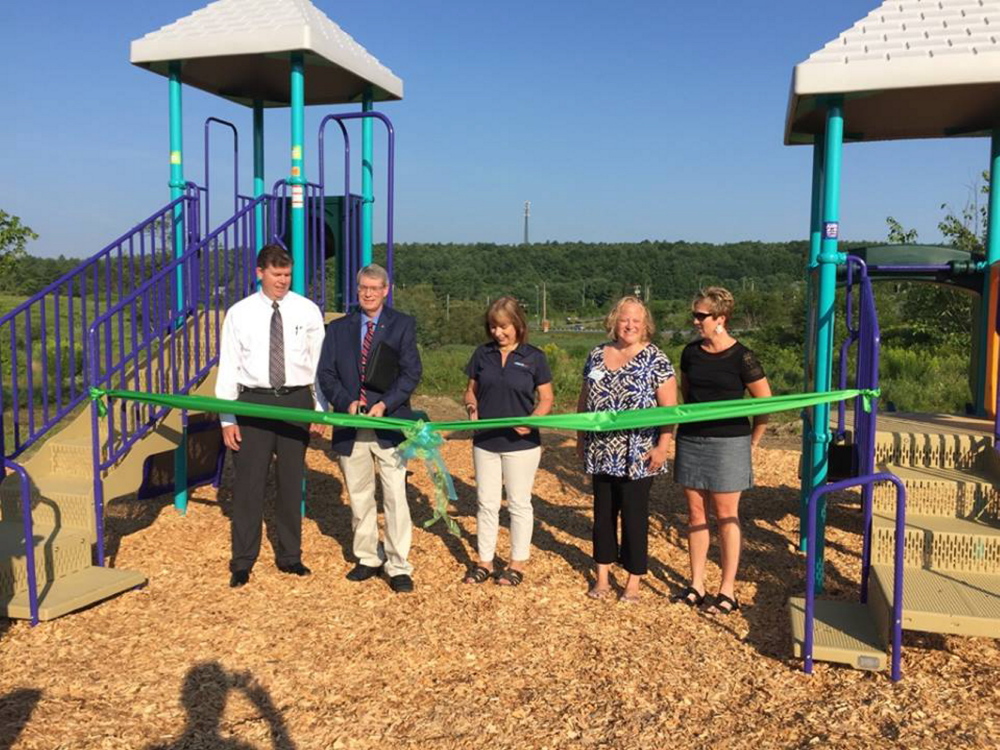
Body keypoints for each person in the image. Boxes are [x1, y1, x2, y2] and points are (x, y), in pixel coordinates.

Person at [216, 243, 326, 588]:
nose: (282, 281)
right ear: (259, 272)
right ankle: (243, 561)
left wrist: (320, 411)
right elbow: (229, 365)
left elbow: (319, 364)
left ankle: (290, 556)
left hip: (295, 401)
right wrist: (227, 417)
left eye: (287, 275)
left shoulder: (307, 311)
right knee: (248, 485)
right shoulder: (239, 313)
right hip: (253, 402)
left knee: (292, 483)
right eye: (276, 274)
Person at [317, 264, 422, 593]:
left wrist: (384, 404)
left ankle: (398, 564)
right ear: (357, 289)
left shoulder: (402, 325)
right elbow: (327, 374)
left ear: (386, 290)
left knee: (394, 495)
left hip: (388, 424)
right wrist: (347, 402)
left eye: (375, 288)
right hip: (352, 425)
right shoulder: (337, 329)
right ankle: (367, 557)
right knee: (359, 495)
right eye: (363, 287)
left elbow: (410, 373)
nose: (368, 293)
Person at [671, 286, 771, 615]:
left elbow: (765, 402)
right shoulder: (690, 353)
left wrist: (753, 439)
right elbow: (688, 394)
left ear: (720, 319)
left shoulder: (742, 356)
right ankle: (696, 583)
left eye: (701, 316)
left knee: (726, 515)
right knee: (696, 515)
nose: (695, 321)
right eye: (694, 315)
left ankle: (727, 589)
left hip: (730, 442)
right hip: (692, 439)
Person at [577, 296, 676, 603]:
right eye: (624, 319)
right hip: (601, 450)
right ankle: (602, 577)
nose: (629, 325)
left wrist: (663, 446)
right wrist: (580, 439)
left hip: (639, 453)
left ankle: (633, 581)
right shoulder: (596, 355)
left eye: (636, 320)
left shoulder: (656, 359)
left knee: (634, 517)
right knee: (603, 516)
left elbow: (670, 409)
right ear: (613, 322)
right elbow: (584, 400)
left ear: (645, 325)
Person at [462, 297, 554, 586]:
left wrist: (532, 420)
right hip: (485, 441)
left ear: (517, 325)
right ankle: (485, 561)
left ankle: (516, 563)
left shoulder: (534, 357)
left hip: (522, 443)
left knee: (518, 503)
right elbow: (470, 392)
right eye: (492, 327)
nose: (497, 333)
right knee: (486, 503)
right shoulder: (482, 354)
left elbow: (547, 398)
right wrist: (471, 409)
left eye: (503, 327)